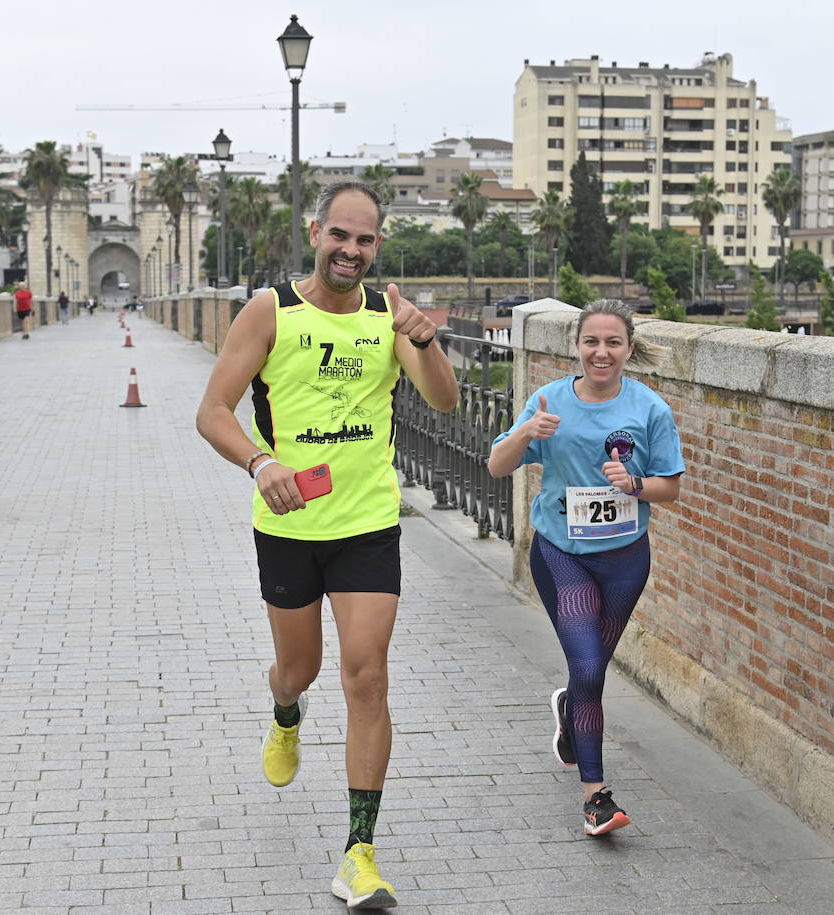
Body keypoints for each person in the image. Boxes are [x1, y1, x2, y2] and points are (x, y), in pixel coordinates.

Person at [195, 180, 457, 909]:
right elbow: (212, 410)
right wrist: (261, 461)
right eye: (340, 235)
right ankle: (284, 709)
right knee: (300, 668)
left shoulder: (389, 318)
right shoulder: (270, 311)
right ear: (316, 233)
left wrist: (424, 339)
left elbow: (444, 400)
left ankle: (359, 853)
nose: (351, 249)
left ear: (379, 246)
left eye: (365, 239)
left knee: (366, 673)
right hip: (287, 525)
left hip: (367, 521)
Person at [487, 300, 685, 837]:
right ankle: (596, 797)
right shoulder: (548, 399)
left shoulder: (650, 410)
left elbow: (671, 486)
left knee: (588, 671)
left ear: (628, 348)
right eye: (592, 342)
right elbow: (496, 463)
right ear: (576, 345)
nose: (602, 352)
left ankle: (570, 710)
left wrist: (635, 485)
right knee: (591, 668)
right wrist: (526, 432)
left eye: (613, 343)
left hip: (625, 559)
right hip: (561, 552)